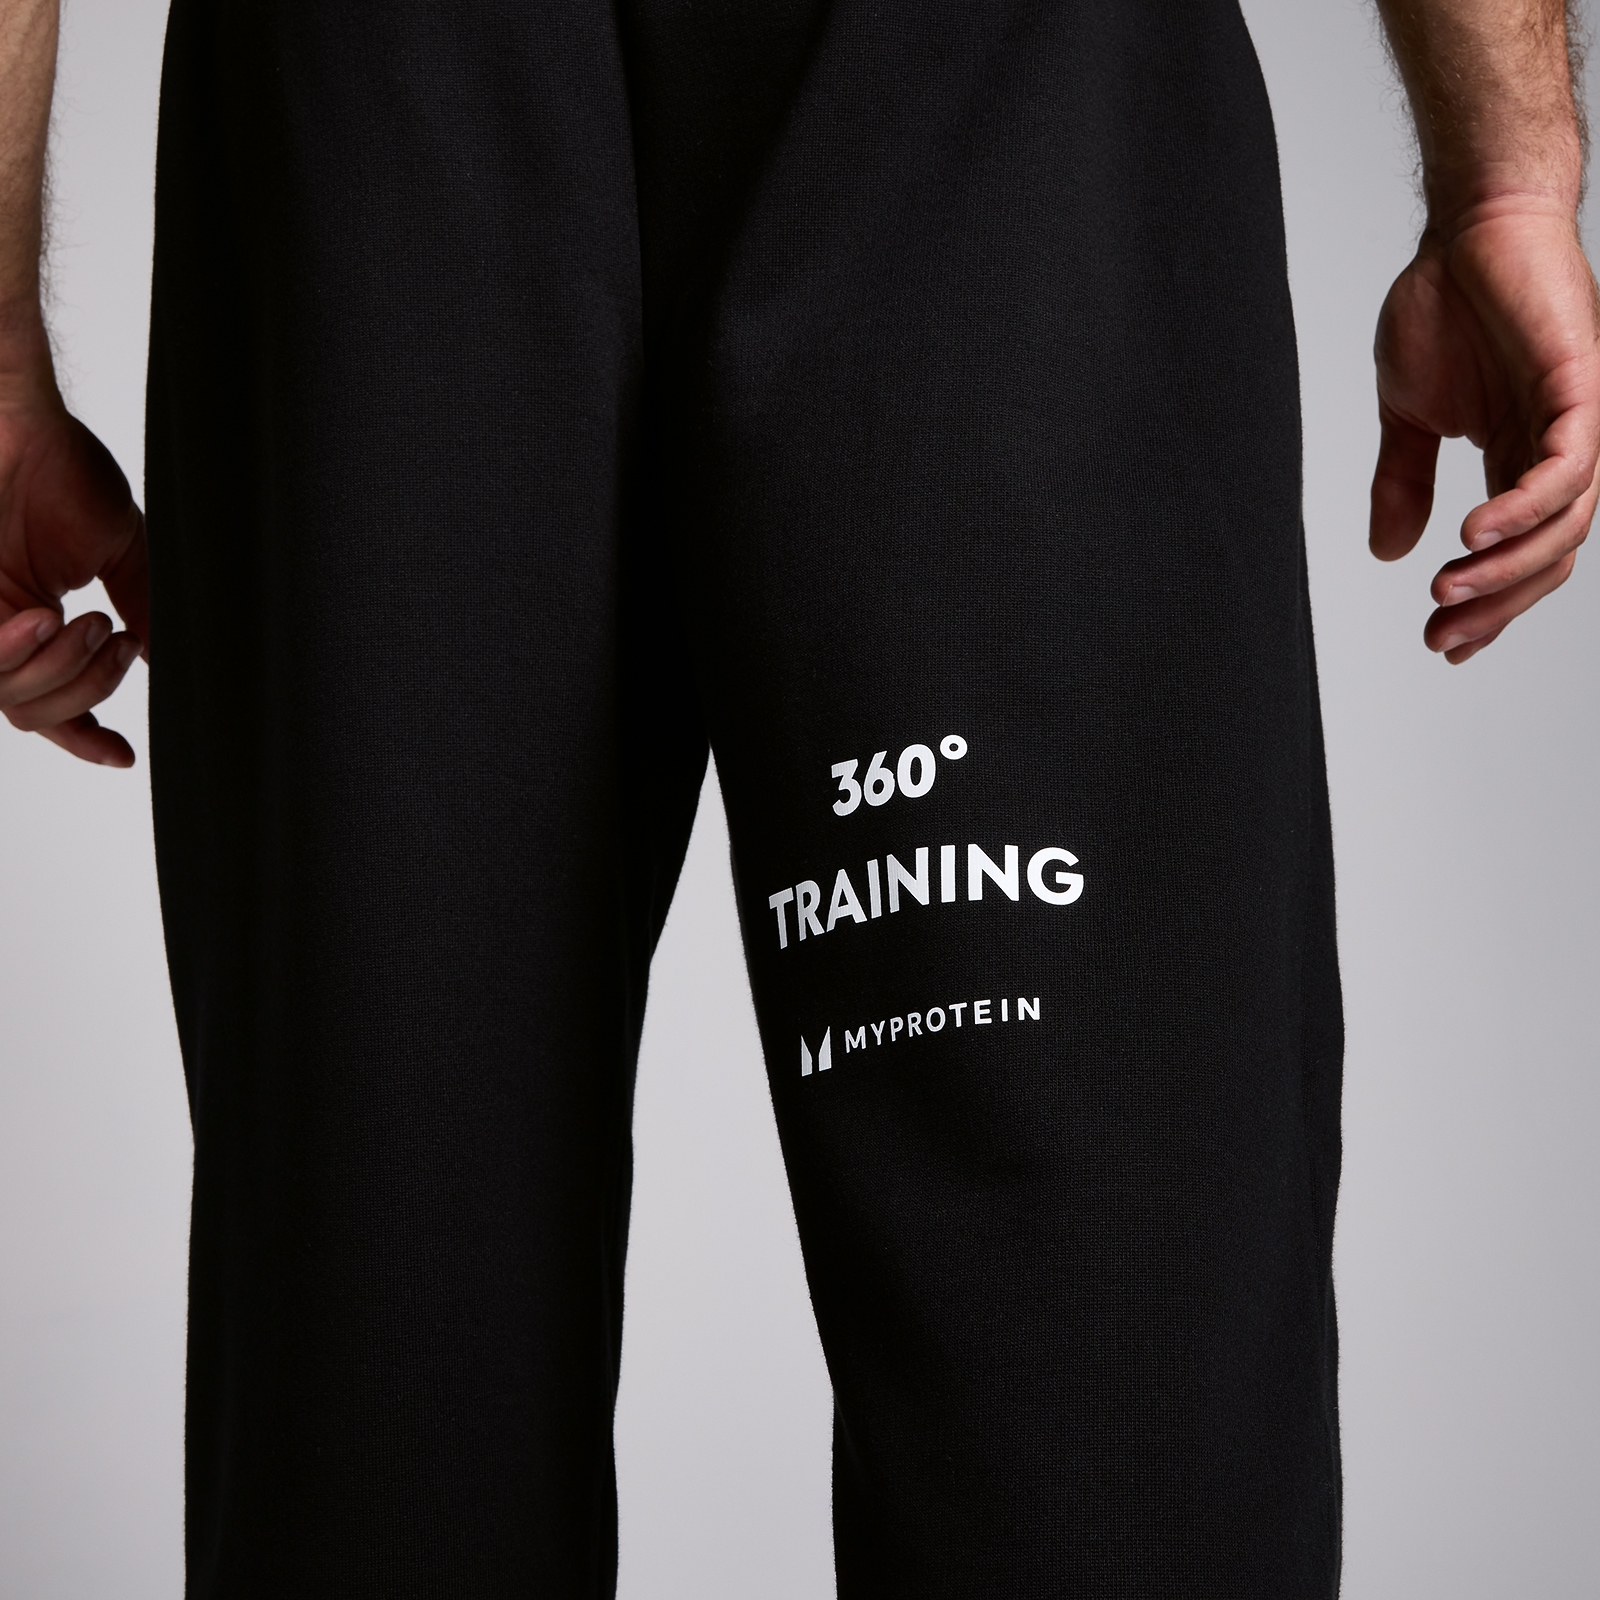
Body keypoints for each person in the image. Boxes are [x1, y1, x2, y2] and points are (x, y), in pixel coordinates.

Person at [0, 0, 1593, 1593]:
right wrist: (1505, 177)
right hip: (974, 82)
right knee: (408, 1363)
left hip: (394, 100)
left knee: (395, 1328)